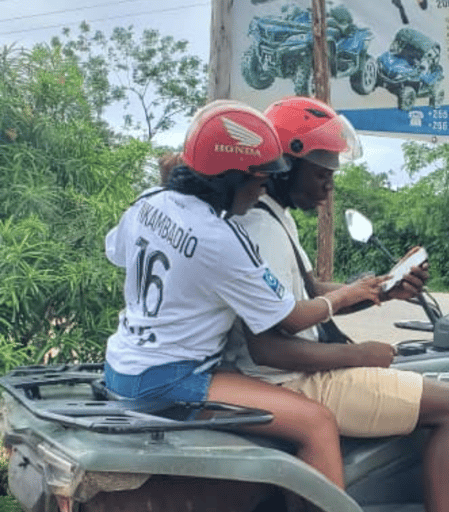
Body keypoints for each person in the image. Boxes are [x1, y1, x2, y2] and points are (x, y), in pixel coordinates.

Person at [104, 99, 386, 490]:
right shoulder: (222, 238)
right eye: (257, 180)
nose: (261, 190)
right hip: (172, 379)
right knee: (317, 422)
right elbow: (287, 318)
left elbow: (117, 251)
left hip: (121, 365)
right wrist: (339, 299)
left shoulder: (148, 202)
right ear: (230, 180)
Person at [224, 96, 449, 512]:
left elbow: (308, 294)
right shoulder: (261, 229)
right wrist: (359, 355)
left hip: (285, 372)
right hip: (286, 379)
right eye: (322, 174)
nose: (329, 186)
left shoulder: (270, 215)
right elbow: (268, 348)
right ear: (285, 167)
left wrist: (380, 290)